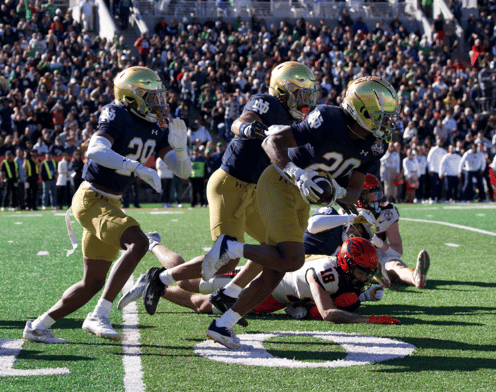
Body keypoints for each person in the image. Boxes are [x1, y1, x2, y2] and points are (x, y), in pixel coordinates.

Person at [200, 76, 397, 349]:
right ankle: (229, 247)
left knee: (277, 268)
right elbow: (272, 143)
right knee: (292, 259)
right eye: (381, 116)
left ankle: (223, 325)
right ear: (360, 110)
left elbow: (353, 192)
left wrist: (335, 192)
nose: (388, 123)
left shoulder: (375, 145)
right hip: (280, 182)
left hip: (303, 197)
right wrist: (298, 173)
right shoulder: (328, 118)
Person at [135, 62, 319, 323]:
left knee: (276, 249)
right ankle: (160, 278)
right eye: (300, 93)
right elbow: (240, 121)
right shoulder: (267, 102)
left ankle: (228, 293)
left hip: (256, 192)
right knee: (224, 263)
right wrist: (246, 128)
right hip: (229, 185)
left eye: (308, 94)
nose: (305, 101)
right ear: (282, 90)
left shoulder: (294, 121)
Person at [23, 67, 190, 344]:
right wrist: (135, 166)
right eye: (152, 96)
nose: (159, 102)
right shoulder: (117, 113)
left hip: (111, 202)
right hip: (91, 198)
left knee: (92, 282)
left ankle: (38, 326)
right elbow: (95, 150)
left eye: (160, 96)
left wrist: (181, 148)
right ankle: (99, 315)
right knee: (138, 242)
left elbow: (182, 171)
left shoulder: (157, 125)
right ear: (132, 96)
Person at [121, 236, 399, 325]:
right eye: (363, 271)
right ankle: (154, 258)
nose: (364, 277)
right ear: (347, 266)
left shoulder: (341, 272)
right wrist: (367, 319)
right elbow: (326, 312)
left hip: (275, 300)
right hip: (262, 284)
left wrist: (363, 294)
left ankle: (155, 280)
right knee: (190, 285)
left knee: (202, 299)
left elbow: (334, 299)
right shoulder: (325, 275)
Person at [372, 202, 430, 289]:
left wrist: (380, 243)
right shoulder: (348, 214)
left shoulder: (387, 211)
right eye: (370, 194)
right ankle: (379, 275)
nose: (375, 198)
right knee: (363, 268)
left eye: (377, 193)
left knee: (396, 265)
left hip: (382, 253)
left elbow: (398, 251)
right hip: (363, 256)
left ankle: (415, 278)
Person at [426, 137, 446, 204]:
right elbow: (429, 160)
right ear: (437, 142)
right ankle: (432, 198)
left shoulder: (444, 151)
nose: (440, 143)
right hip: (434, 170)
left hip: (441, 172)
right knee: (433, 185)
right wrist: (429, 170)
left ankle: (439, 198)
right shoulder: (433, 149)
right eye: (439, 141)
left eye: (441, 142)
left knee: (440, 185)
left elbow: (445, 162)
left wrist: (444, 171)